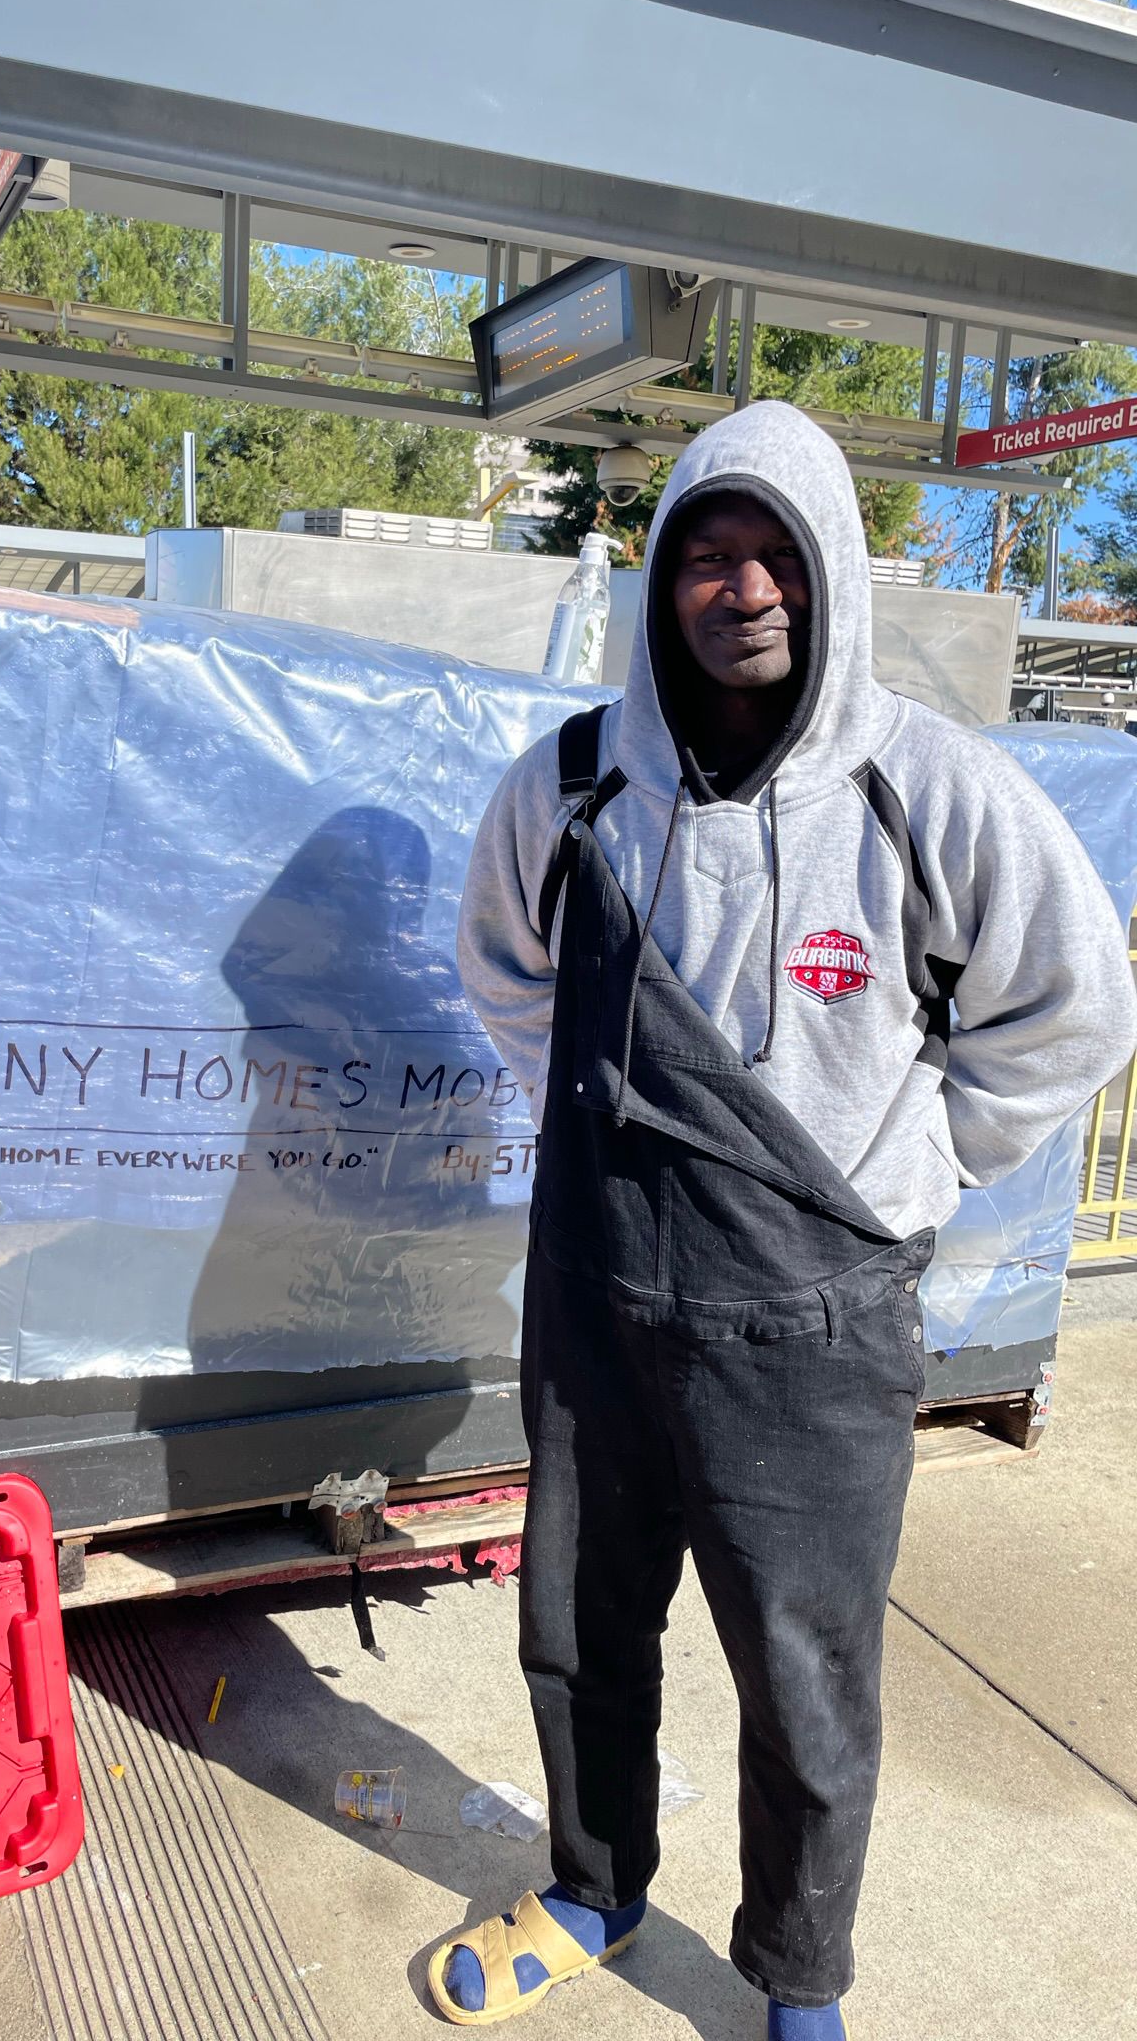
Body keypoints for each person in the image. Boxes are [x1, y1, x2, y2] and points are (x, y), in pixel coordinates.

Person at [435, 401, 1137, 2035]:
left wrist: (919, 1167)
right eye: (705, 554)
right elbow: (506, 974)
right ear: (660, 583)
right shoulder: (574, 783)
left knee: (806, 1682)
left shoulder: (928, 788)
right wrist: (611, 1124)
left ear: (830, 582)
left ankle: (797, 1979)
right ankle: (598, 1886)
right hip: (601, 1296)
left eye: (775, 558)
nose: (740, 589)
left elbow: (1071, 1007)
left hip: (817, 1324)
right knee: (584, 1627)